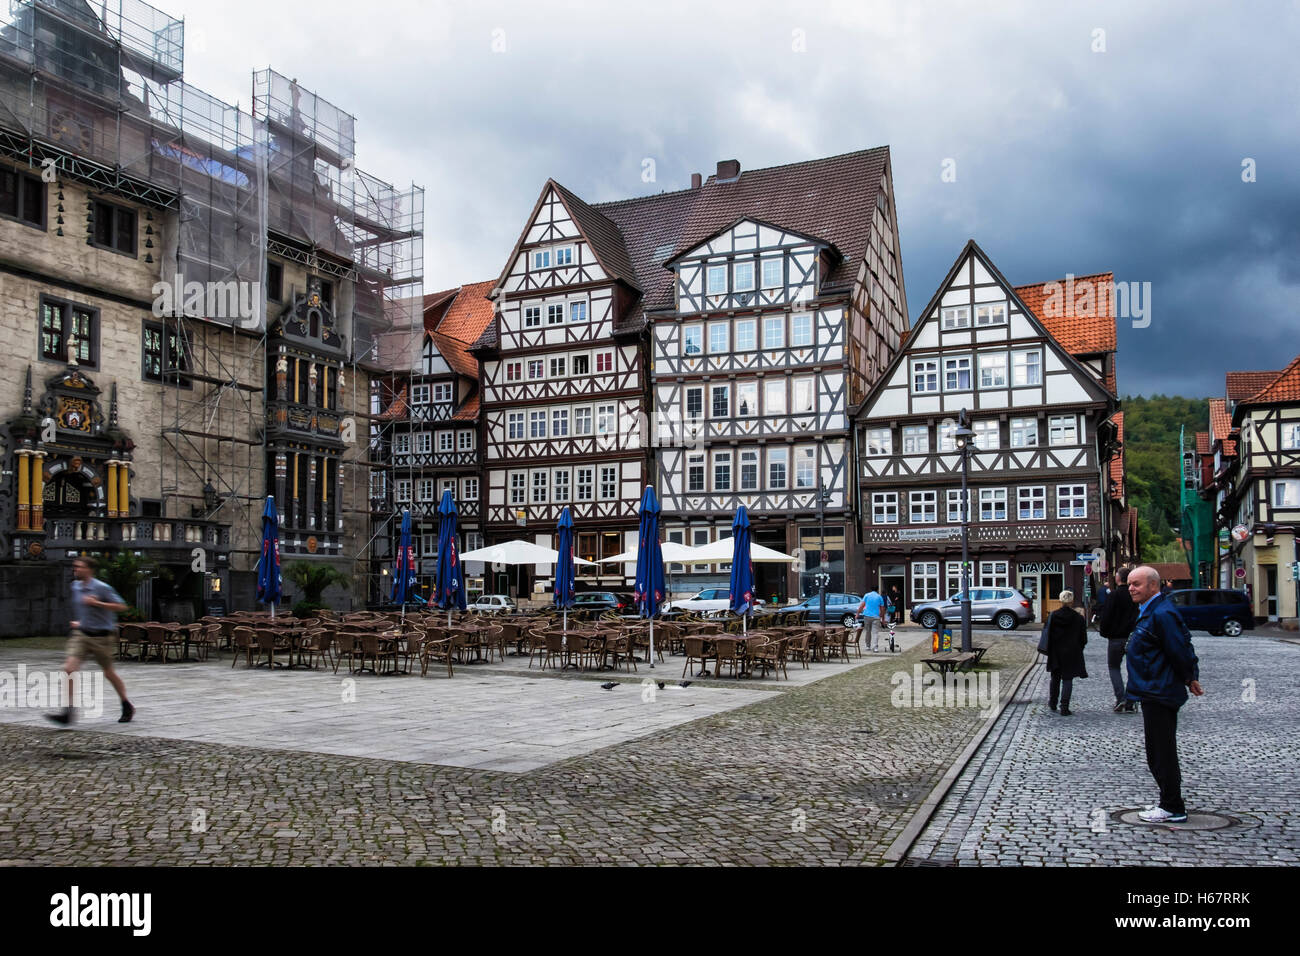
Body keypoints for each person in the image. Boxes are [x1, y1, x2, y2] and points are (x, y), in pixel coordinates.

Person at [1126, 565, 1203, 824]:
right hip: (1153, 689)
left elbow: (1179, 647)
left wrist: (1189, 676)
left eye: (1136, 584)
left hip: (1159, 689)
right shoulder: (1152, 611)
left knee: (1161, 752)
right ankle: (1168, 801)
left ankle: (1172, 806)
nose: (1131, 588)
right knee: (1157, 751)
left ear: (1153, 586)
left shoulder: (1162, 613)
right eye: (1129, 584)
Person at [47, 556, 134, 725]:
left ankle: (126, 704)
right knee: (68, 668)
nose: (75, 570)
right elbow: (83, 610)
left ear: (89, 570)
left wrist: (98, 603)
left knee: (109, 673)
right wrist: (80, 622)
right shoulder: (76, 586)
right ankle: (68, 711)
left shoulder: (102, 588)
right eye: (75, 567)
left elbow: (122, 606)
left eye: (79, 567)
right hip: (82, 634)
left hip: (103, 637)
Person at [1098, 567, 1140, 713]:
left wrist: (1104, 632)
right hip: (1132, 637)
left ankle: (1121, 698)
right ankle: (1131, 701)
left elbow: (1106, 616)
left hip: (1115, 638)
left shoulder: (1113, 596)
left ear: (1118, 578)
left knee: (1114, 667)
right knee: (1133, 668)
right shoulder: (1134, 596)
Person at [1044, 589, 1087, 715]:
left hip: (1056, 651)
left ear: (1060, 600)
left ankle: (1052, 703)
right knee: (1068, 679)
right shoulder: (1078, 618)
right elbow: (1083, 638)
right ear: (1072, 601)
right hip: (1072, 652)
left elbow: (1047, 634)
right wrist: (1079, 647)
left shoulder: (1053, 615)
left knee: (1055, 677)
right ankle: (1064, 707)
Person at [856, 587, 887, 653]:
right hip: (876, 617)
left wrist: (857, 614)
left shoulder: (867, 595)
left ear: (871, 589)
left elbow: (862, 605)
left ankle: (868, 646)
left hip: (867, 616)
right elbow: (882, 609)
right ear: (877, 590)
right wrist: (883, 619)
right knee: (875, 632)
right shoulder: (879, 597)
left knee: (868, 631)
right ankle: (875, 648)